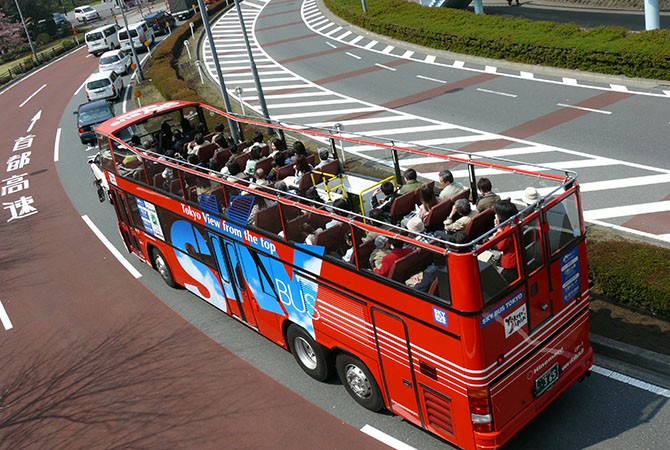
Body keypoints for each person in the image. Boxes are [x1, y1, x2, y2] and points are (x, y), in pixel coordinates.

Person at [492, 199, 519, 283]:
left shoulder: (509, 229)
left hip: (510, 262)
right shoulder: (516, 221)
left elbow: (500, 246)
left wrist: (499, 230)